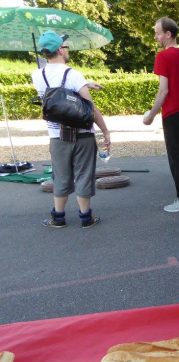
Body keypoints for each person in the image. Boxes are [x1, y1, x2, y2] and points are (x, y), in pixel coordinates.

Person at [31, 31, 110, 229]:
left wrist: (85, 84)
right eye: (65, 46)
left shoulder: (37, 75)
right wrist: (105, 132)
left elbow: (56, 91)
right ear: (59, 50)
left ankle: (58, 218)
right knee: (84, 174)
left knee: (60, 176)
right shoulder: (73, 74)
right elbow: (90, 109)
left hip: (57, 136)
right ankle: (86, 218)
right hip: (82, 135)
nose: (67, 49)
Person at [143, 17, 179, 213]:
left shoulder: (163, 57)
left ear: (168, 34)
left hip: (172, 113)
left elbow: (163, 91)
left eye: (158, 33)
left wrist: (150, 115)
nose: (156, 37)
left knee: (177, 157)